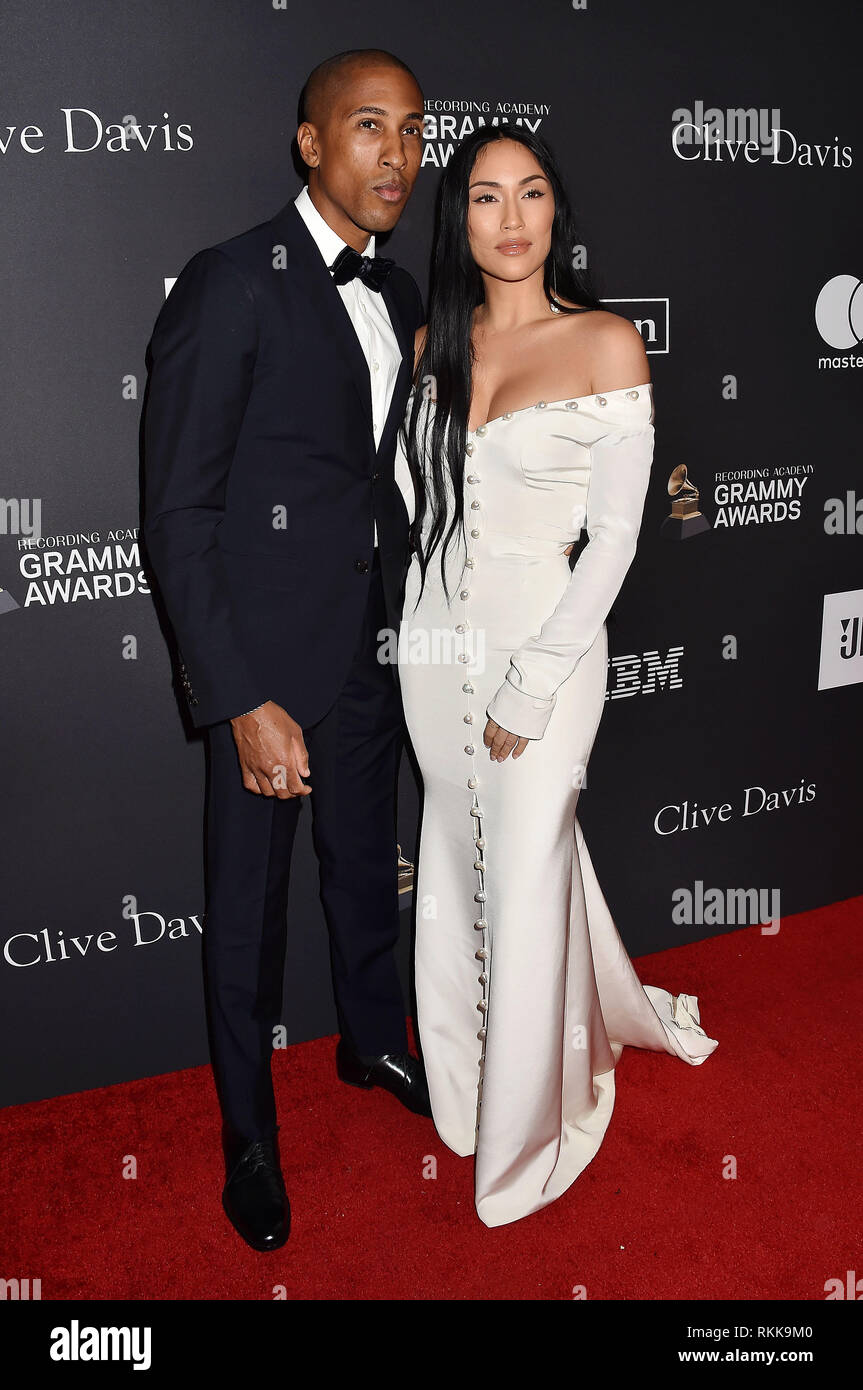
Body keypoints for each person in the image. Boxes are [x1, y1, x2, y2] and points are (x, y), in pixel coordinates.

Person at [395, 125, 718, 1229]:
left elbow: (616, 542)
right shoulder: (436, 338)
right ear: (459, 219)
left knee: (525, 869)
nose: (511, 217)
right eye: (485, 197)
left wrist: (531, 681)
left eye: (530, 193)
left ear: (555, 211)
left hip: (550, 645)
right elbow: (418, 506)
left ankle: (531, 1129)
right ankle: (465, 1087)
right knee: (450, 861)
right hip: (434, 644)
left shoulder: (604, 343)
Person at [142, 49, 430, 1253]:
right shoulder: (230, 282)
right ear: (310, 144)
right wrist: (238, 696)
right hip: (264, 672)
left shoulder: (405, 296)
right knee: (245, 919)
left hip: (374, 657)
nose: (398, 155)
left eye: (412, 132)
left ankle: (370, 1043)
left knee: (368, 877)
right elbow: (179, 511)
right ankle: (249, 1140)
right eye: (368, 128)